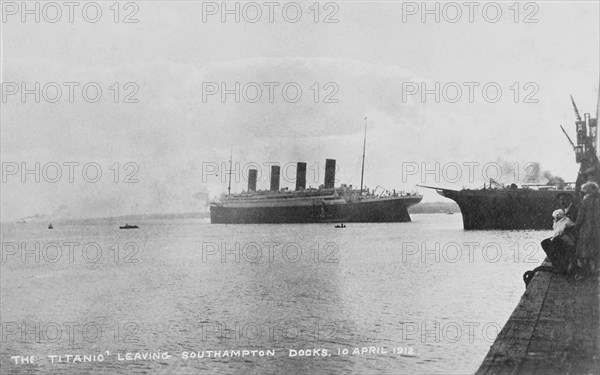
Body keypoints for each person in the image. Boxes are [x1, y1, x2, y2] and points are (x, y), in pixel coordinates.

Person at [574, 181, 600, 278]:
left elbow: (580, 217)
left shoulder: (585, 201)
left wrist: (576, 226)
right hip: (597, 229)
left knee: (584, 250)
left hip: (586, 228)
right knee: (595, 249)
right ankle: (595, 270)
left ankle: (585, 271)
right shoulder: (598, 200)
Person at [540, 209, 576, 273]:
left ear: (558, 217)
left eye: (555, 218)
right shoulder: (566, 221)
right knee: (549, 242)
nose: (554, 220)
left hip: (568, 245)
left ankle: (557, 264)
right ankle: (557, 263)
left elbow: (558, 234)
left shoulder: (563, 223)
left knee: (546, 243)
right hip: (568, 243)